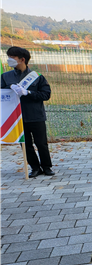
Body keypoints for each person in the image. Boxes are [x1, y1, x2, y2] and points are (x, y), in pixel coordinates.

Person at [1, 46, 53, 178]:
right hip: (17, 117)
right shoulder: (5, 77)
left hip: (36, 116)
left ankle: (47, 167)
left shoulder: (37, 77)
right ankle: (35, 168)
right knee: (26, 144)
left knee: (41, 143)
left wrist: (28, 92)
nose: (9, 60)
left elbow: (46, 95)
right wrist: (8, 89)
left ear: (22, 59)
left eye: (12, 58)